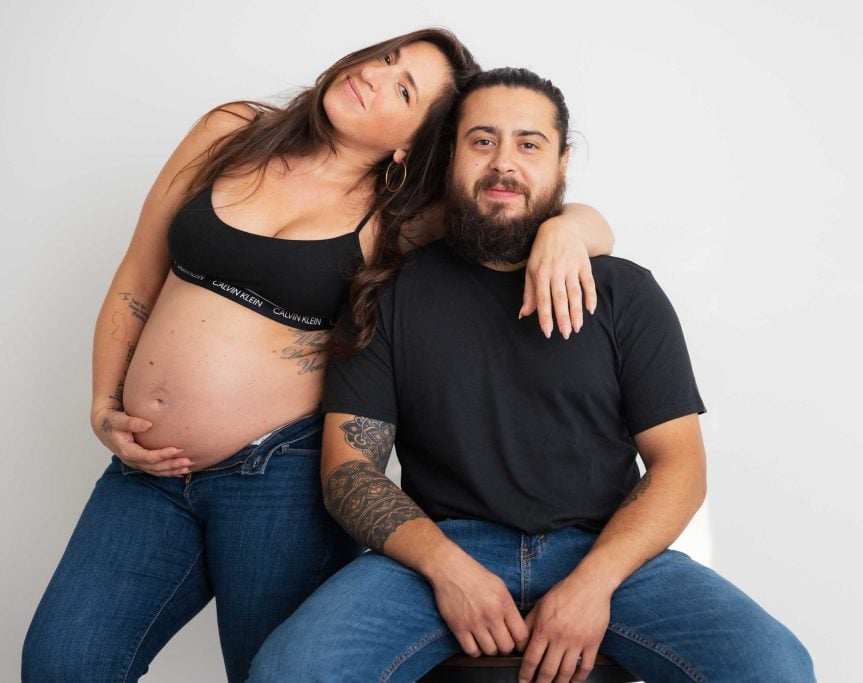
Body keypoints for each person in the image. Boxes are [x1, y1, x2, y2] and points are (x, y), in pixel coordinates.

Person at [23, 31, 616, 682]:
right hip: (149, 475)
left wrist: (566, 230)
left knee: (276, 673)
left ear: (411, 144)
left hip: (279, 482)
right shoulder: (231, 130)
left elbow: (545, 218)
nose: (377, 74)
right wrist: (104, 402)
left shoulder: (402, 219)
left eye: (405, 89)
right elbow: (137, 277)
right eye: (389, 58)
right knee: (63, 662)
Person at [248, 67, 817, 683]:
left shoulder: (625, 292)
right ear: (451, 157)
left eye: (529, 143)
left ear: (562, 162)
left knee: (774, 667)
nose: (503, 163)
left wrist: (593, 585)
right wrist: (448, 568)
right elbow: (349, 469)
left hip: (608, 551)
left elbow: (680, 465)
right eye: (482, 140)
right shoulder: (389, 295)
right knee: (291, 669)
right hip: (439, 551)